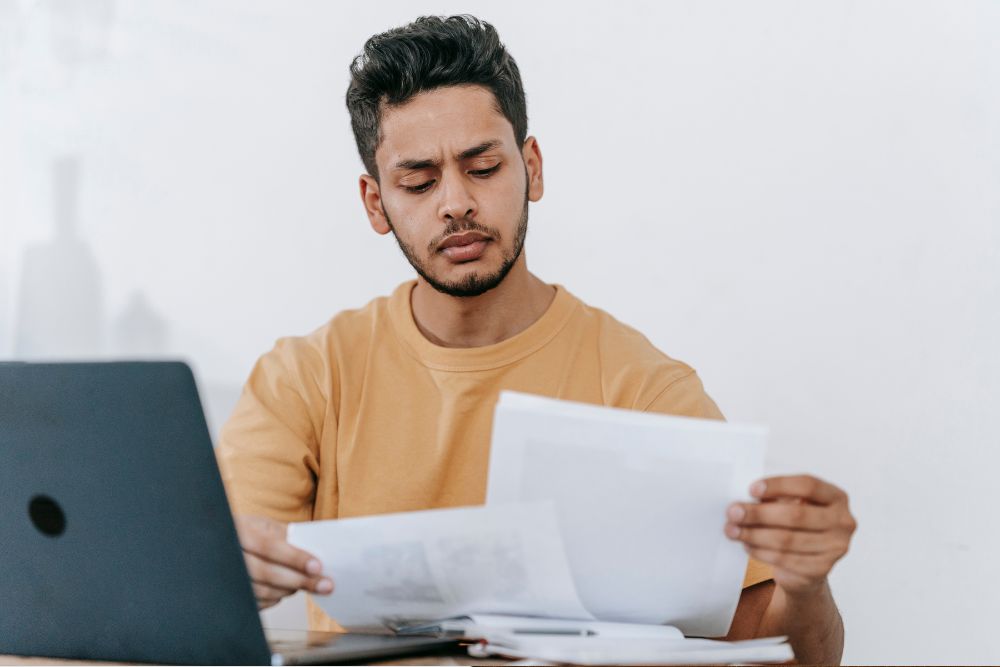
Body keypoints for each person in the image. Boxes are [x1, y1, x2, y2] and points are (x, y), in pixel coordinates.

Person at [217, 15, 857, 664]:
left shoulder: (639, 385)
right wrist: (231, 571)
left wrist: (808, 586)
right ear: (376, 203)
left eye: (484, 166)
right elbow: (212, 589)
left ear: (532, 168)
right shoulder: (306, 376)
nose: (456, 203)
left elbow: (785, 651)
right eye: (418, 181)